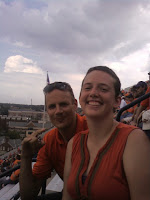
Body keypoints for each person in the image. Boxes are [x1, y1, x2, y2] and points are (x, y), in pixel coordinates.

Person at [62, 66, 150, 200]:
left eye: (103, 89)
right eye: (87, 88)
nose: (93, 93)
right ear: (80, 97)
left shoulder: (133, 140)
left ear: (117, 101)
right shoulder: (74, 143)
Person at [19, 82, 88, 200]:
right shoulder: (49, 140)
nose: (58, 111)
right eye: (52, 107)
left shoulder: (93, 127)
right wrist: (26, 157)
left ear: (75, 104)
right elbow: (28, 195)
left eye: (63, 104)